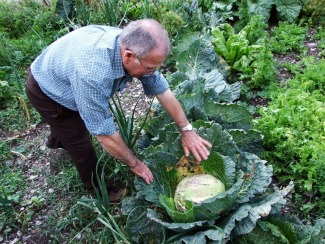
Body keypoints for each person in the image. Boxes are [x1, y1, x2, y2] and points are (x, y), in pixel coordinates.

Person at [26, 19, 212, 201]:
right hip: (48, 91)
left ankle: (58, 138)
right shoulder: (93, 74)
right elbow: (104, 135)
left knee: (72, 128)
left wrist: (187, 130)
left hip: (66, 70)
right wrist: (135, 163)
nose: (153, 72)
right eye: (150, 68)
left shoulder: (133, 46)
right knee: (80, 143)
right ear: (129, 56)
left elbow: (162, 90)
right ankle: (99, 190)